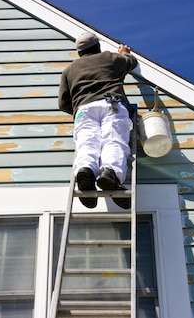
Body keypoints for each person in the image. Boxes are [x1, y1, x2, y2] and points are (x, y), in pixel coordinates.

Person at [58, 32, 138, 209]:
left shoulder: (69, 70)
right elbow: (130, 62)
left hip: (83, 110)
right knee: (113, 139)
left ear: (80, 52)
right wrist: (124, 52)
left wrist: (79, 107)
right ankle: (110, 173)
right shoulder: (110, 58)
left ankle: (85, 170)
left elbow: (63, 103)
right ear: (98, 46)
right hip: (111, 104)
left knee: (87, 142)